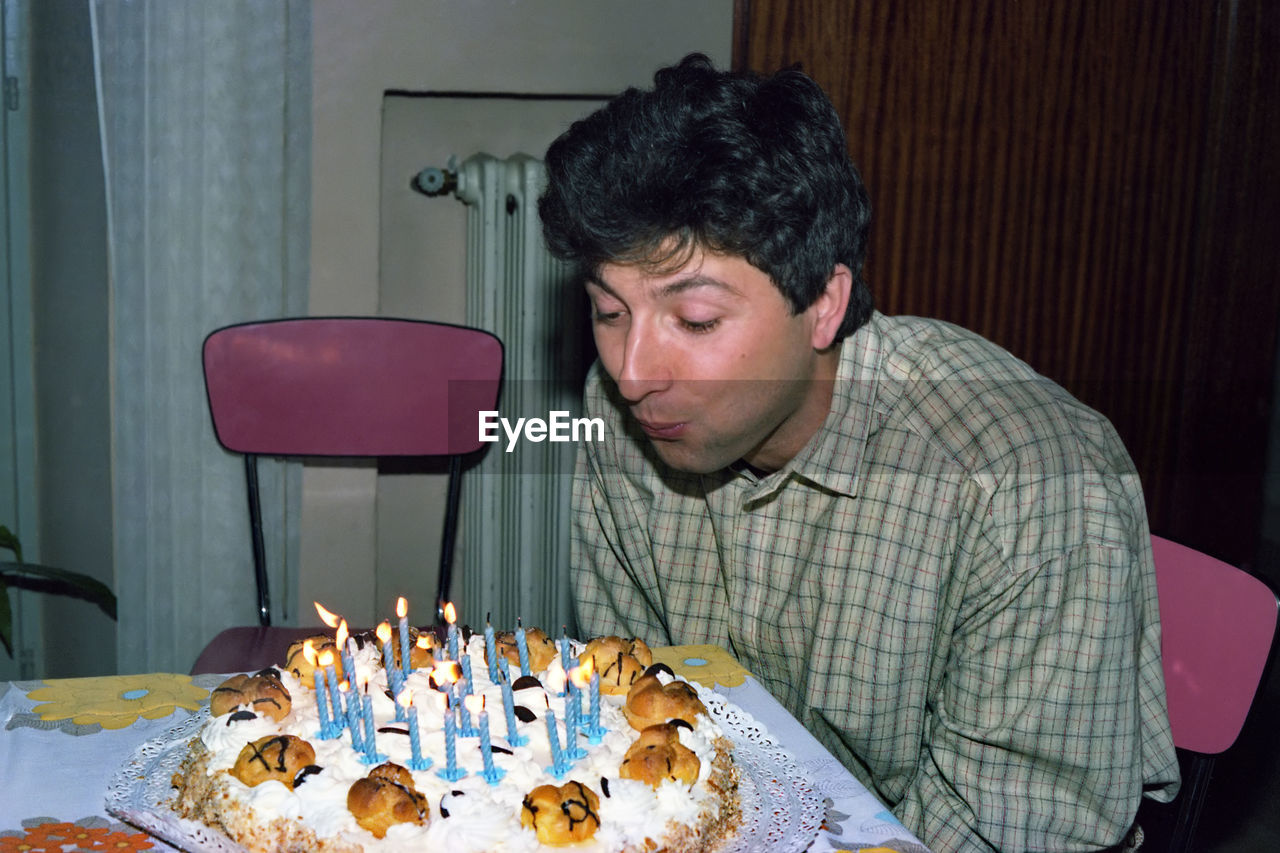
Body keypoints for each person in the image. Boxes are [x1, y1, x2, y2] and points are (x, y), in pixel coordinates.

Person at [537, 53, 1179, 852]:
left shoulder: (1025, 478)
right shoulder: (622, 415)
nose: (633, 373)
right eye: (608, 310)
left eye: (695, 320)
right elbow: (640, 714)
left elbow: (1016, 829)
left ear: (823, 303)